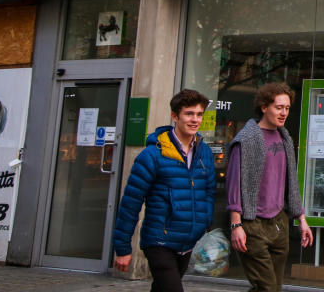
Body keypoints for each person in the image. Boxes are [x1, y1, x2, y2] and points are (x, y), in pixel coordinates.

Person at [112, 89, 216, 292]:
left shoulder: (205, 153)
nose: (195, 119)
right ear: (175, 116)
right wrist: (122, 247)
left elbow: (209, 192)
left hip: (188, 240)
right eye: (189, 114)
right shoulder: (152, 155)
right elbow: (131, 203)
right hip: (160, 239)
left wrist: (204, 223)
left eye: (199, 114)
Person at [227, 82, 313, 292]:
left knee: (272, 287)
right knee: (267, 287)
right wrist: (236, 225)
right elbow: (234, 184)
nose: (284, 113)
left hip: (278, 222)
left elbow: (290, 182)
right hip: (252, 223)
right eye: (278, 107)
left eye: (287, 108)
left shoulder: (285, 138)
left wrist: (301, 219)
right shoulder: (246, 140)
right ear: (264, 107)